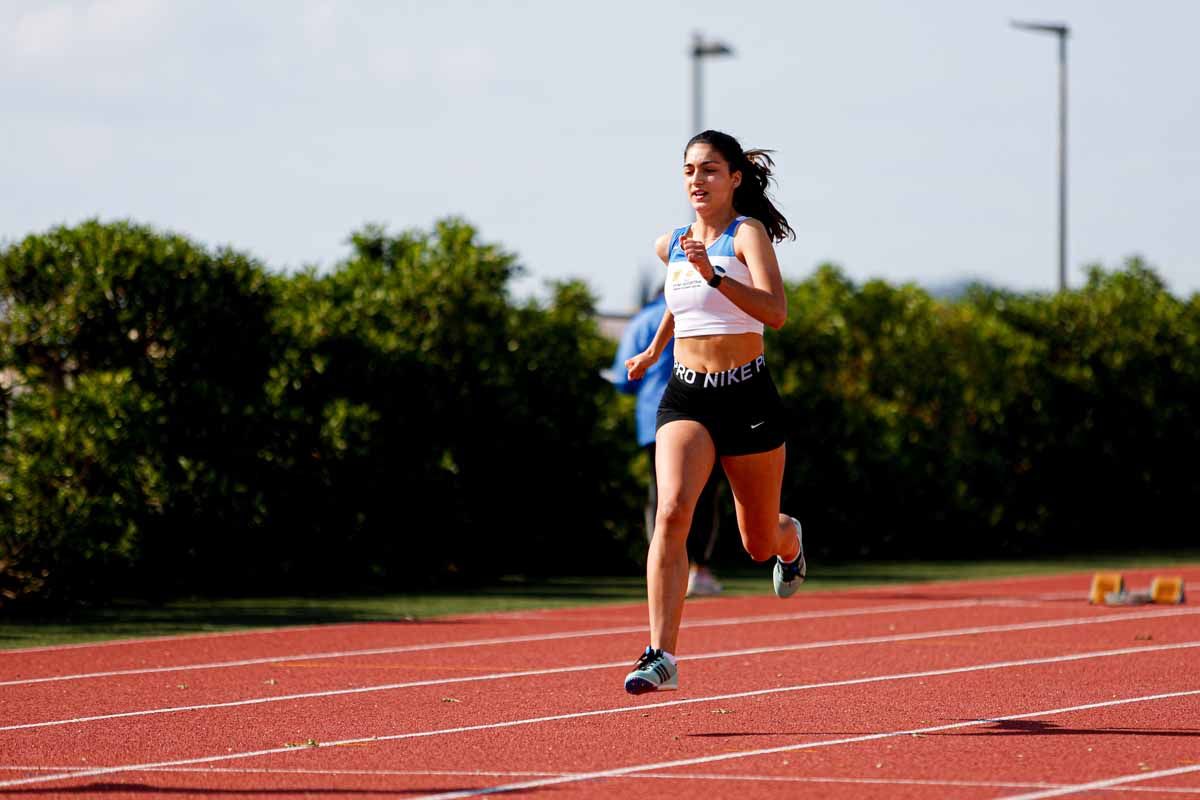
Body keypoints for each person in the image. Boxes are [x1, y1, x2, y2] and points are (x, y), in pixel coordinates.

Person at [622, 130, 805, 695]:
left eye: (708, 170)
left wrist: (714, 274)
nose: (696, 181)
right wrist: (654, 351)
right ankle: (661, 654)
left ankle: (789, 539)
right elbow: (683, 306)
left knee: (756, 542)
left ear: (734, 179)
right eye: (688, 171)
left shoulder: (746, 235)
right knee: (673, 510)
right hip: (687, 395)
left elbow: (775, 313)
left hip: (746, 396)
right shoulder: (671, 243)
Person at [610, 291, 724, 598]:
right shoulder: (706, 308)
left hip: (655, 418)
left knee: (662, 495)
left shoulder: (643, 320)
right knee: (703, 494)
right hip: (705, 415)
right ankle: (697, 569)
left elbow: (624, 376)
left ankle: (662, 567)